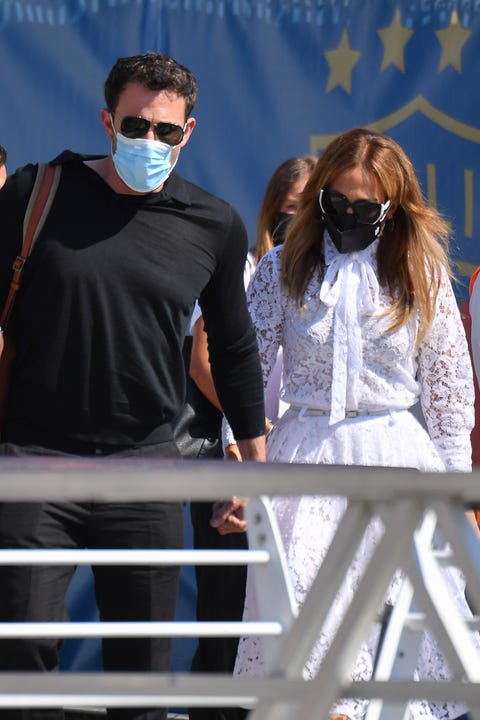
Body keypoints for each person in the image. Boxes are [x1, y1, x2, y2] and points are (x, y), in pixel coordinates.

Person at [0, 52, 266, 720]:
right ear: (106, 120)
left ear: (189, 132)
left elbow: (233, 349)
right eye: (136, 126)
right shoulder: (36, 192)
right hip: (34, 460)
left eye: (167, 131)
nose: (151, 142)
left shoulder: (214, 223)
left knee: (142, 680)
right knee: (21, 662)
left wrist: (254, 469)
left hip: (146, 468)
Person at [233, 127, 477, 720]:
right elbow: (249, 374)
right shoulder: (282, 265)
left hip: (397, 461)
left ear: (393, 207)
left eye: (365, 206)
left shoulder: (420, 268)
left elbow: (449, 395)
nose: (348, 214)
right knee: (310, 647)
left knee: (396, 644)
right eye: (336, 201)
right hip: (303, 462)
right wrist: (240, 463)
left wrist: (459, 491)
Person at [186, 155, 315, 720]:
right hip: (237, 461)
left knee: (295, 614)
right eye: (289, 213)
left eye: (309, 212)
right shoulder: (238, 268)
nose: (298, 224)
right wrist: (254, 428)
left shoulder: (333, 281)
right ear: (270, 213)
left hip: (303, 467)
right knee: (227, 615)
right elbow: (203, 361)